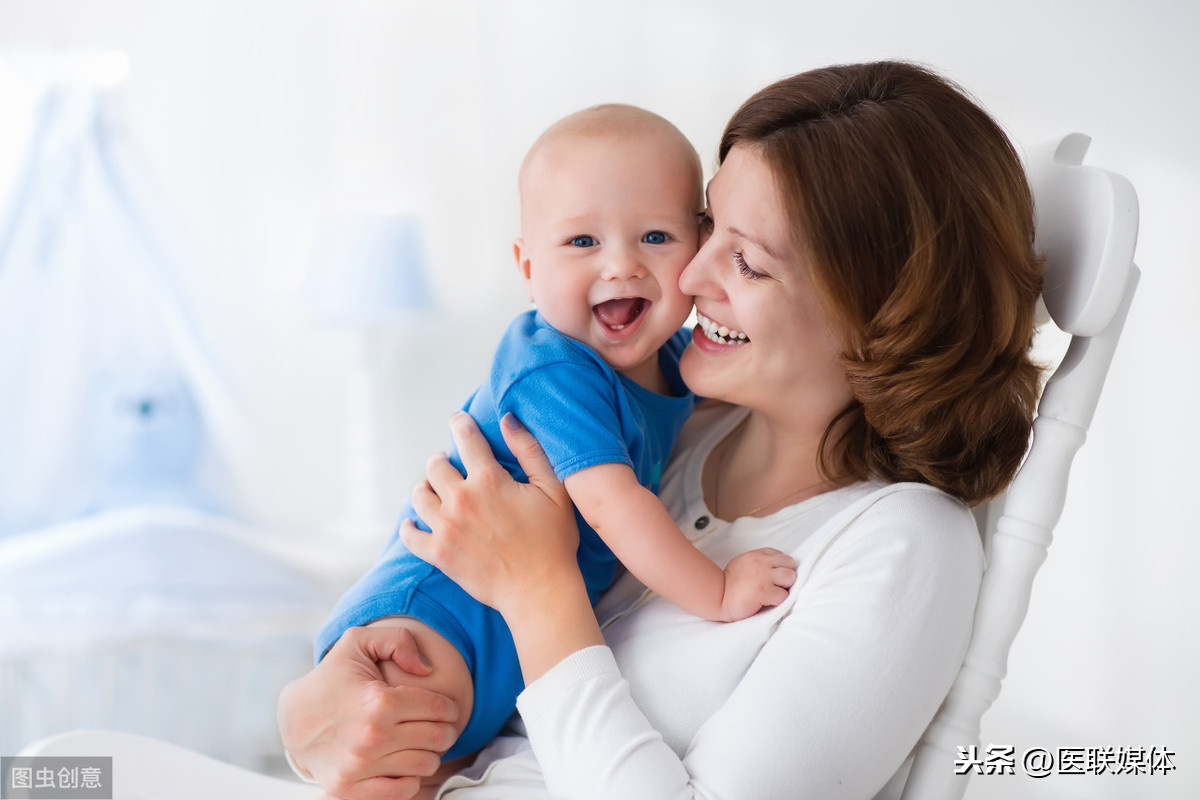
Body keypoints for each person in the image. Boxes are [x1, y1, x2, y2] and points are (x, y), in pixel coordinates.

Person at [278, 60, 1044, 800]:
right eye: (706, 227)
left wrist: (539, 590)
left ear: (880, 320)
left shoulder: (902, 545)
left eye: (743, 260)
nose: (687, 276)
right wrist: (314, 720)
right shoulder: (662, 428)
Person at [307, 103, 799, 772]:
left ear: (697, 242)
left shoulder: (677, 360)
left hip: (508, 637)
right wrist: (715, 591)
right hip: (436, 614)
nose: (621, 265)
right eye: (581, 243)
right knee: (394, 758)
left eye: (656, 236)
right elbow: (612, 505)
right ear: (527, 265)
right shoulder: (551, 366)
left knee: (430, 770)